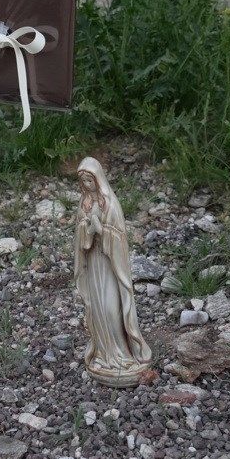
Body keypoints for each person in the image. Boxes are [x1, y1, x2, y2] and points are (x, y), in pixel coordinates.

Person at [73, 157, 152, 386]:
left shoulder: (110, 204)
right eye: (83, 181)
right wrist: (86, 231)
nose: (87, 185)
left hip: (109, 266)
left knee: (111, 308)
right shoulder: (84, 204)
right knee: (97, 311)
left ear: (98, 179)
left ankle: (123, 356)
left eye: (90, 180)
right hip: (93, 264)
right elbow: (79, 236)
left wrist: (101, 230)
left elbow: (119, 238)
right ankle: (103, 355)